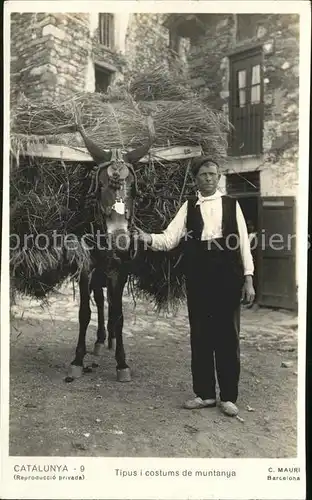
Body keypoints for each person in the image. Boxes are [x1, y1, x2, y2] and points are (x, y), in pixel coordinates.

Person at [137, 157, 255, 417]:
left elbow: (244, 243)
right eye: (203, 175)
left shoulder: (232, 205)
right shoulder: (188, 206)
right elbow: (169, 239)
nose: (208, 178)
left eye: (212, 174)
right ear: (195, 179)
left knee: (227, 335)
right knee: (201, 335)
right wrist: (146, 238)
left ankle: (228, 397)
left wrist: (248, 277)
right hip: (199, 276)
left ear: (219, 176)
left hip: (227, 276)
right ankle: (205, 394)